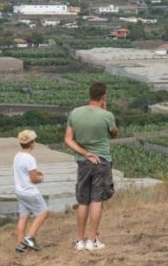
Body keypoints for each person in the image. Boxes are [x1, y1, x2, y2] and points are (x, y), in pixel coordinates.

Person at [64, 81, 119, 251]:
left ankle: (80, 241)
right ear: (103, 97)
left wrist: (84, 153)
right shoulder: (106, 115)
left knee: (83, 201)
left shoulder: (75, 113)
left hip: (83, 162)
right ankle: (92, 240)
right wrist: (105, 109)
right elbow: (114, 133)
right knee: (96, 200)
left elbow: (68, 140)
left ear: (90, 95)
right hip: (101, 162)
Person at [13, 129, 50, 253]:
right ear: (32, 143)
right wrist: (41, 178)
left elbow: (24, 172)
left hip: (19, 191)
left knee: (23, 217)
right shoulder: (30, 158)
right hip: (30, 192)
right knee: (44, 212)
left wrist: (35, 172)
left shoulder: (17, 156)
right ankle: (29, 238)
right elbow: (34, 179)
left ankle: (20, 245)